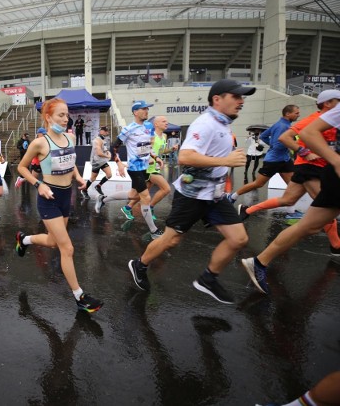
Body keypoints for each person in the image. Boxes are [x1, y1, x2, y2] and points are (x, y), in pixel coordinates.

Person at [127, 78, 254, 304]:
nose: (241, 101)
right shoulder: (205, 123)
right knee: (171, 240)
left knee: (238, 238)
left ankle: (208, 279)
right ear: (217, 99)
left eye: (242, 97)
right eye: (236, 97)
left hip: (213, 195)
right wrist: (226, 160)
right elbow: (185, 157)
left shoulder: (222, 123)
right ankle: (140, 264)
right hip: (192, 194)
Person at [241, 99, 340, 294]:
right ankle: (336, 245)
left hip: (295, 163)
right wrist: (304, 152)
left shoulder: (321, 118)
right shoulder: (312, 119)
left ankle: (247, 211)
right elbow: (285, 137)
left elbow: (269, 137)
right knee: (260, 185)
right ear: (328, 103)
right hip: (306, 167)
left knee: (291, 202)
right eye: (295, 112)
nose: (298, 115)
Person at [15, 97, 103, 313]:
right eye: (60, 115)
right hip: (48, 199)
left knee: (54, 242)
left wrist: (79, 177)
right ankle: (80, 296)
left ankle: (24, 240)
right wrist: (38, 185)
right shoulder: (40, 143)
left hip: (66, 196)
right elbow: (22, 168)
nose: (66, 119)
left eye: (67, 115)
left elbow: (70, 162)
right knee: (67, 248)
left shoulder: (70, 138)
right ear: (48, 117)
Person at [96, 100, 163, 238]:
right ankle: (154, 231)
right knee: (145, 197)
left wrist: (156, 157)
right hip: (134, 168)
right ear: (135, 112)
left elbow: (148, 146)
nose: (146, 111)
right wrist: (119, 163)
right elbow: (114, 147)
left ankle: (103, 199)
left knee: (134, 195)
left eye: (147, 109)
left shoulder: (149, 126)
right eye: (143, 109)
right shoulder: (128, 129)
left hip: (145, 167)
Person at [226, 105, 300, 203]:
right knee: (258, 183)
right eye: (296, 113)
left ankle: (291, 211)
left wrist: (272, 144)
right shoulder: (283, 126)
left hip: (284, 159)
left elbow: (264, 136)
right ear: (287, 114)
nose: (298, 115)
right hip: (274, 161)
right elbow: (278, 144)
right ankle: (232, 196)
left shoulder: (280, 124)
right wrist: (293, 146)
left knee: (292, 185)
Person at [124, 116, 174, 220]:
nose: (166, 123)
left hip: (155, 167)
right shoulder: (151, 136)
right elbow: (142, 151)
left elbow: (161, 152)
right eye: (164, 121)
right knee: (166, 189)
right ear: (156, 124)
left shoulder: (164, 136)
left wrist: (171, 150)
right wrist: (149, 160)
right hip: (148, 168)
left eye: (167, 121)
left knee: (141, 194)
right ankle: (150, 207)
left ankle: (127, 207)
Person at [80, 125, 112, 199]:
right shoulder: (96, 140)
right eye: (106, 131)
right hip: (96, 162)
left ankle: (98, 186)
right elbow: (99, 153)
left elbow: (105, 149)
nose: (107, 132)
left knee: (109, 175)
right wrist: (107, 156)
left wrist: (108, 153)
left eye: (107, 131)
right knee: (93, 178)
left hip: (102, 161)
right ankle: (84, 190)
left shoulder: (105, 139)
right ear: (101, 131)